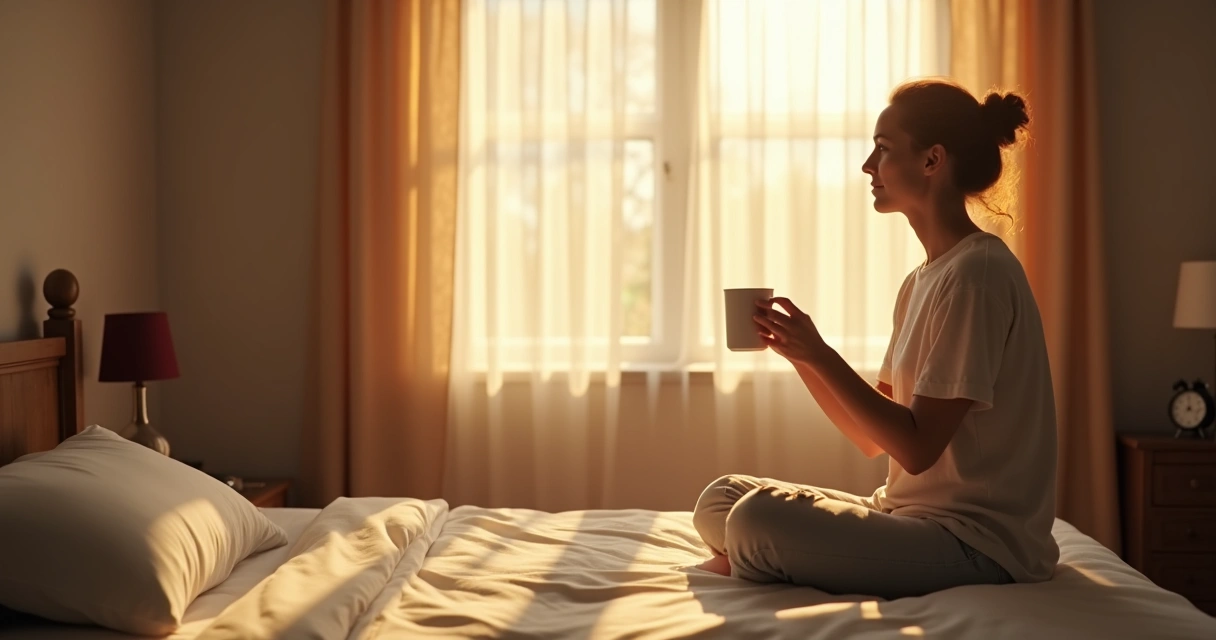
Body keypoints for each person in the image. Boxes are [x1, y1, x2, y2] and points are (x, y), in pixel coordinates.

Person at [691, 79, 1059, 600]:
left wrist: (822, 354)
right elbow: (872, 438)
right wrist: (802, 356)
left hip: (976, 544)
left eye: (883, 150)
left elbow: (916, 446)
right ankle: (760, 556)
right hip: (907, 515)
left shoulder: (978, 275)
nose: (868, 165)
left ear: (932, 161)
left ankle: (753, 557)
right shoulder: (924, 278)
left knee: (753, 519)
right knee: (722, 498)